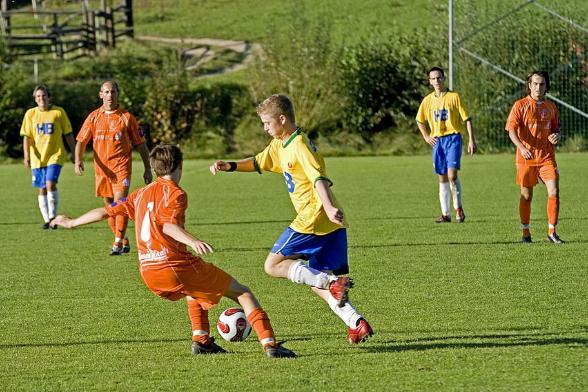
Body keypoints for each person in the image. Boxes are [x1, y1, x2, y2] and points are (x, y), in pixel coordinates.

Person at [52, 144, 296, 358]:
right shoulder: (177, 193)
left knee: (195, 290)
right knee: (242, 293)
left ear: (155, 168)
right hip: (173, 265)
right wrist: (192, 240)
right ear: (179, 165)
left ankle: (201, 341)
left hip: (148, 271)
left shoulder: (139, 194)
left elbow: (106, 211)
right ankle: (270, 344)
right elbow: (168, 226)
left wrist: (71, 222)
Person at [210, 94, 373, 345]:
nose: (264, 128)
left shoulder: (299, 146)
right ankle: (356, 323)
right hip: (330, 224)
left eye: (267, 123)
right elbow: (257, 162)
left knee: (273, 266)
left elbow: (318, 178)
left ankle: (331, 283)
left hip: (315, 215)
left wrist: (328, 207)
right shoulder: (280, 144)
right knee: (315, 279)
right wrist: (229, 165)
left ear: (282, 119)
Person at [75, 80, 153, 255]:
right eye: (106, 92)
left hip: (121, 169)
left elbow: (140, 144)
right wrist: (77, 160)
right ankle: (123, 239)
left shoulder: (127, 117)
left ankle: (117, 243)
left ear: (118, 94)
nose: (110, 95)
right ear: (101, 95)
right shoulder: (94, 117)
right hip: (102, 172)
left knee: (119, 204)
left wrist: (147, 168)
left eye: (113, 92)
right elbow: (81, 141)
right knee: (110, 207)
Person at [505, 70, 563, 244]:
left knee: (554, 191)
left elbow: (556, 128)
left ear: (546, 86)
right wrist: (522, 147)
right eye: (535, 84)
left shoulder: (551, 107)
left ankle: (552, 232)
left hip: (546, 156)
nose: (538, 87)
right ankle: (525, 232)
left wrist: (557, 136)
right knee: (527, 196)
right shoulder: (520, 105)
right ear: (529, 85)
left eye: (542, 84)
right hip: (526, 157)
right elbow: (511, 130)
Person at [416, 66, 477, 223]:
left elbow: (467, 119)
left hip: (453, 138)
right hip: (437, 141)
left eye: (439, 77)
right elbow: (419, 120)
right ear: (430, 81)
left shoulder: (453, 97)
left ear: (444, 78)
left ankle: (458, 209)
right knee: (442, 177)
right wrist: (426, 136)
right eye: (433, 78)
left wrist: (471, 140)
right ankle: (445, 214)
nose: (437, 81)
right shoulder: (427, 100)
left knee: (452, 175)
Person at [20, 84, 76, 229]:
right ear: (35, 98)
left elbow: (68, 133)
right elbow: (27, 137)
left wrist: (75, 153)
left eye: (44, 95)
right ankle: (47, 220)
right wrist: (26, 155)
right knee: (42, 187)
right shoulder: (30, 114)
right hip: (37, 157)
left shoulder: (58, 112)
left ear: (49, 97)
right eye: (38, 96)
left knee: (50, 183)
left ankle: (52, 217)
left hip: (55, 155)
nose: (41, 98)